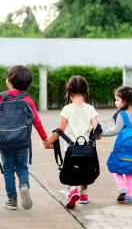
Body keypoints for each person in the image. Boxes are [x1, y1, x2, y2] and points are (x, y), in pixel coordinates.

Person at [0, 65, 48, 210]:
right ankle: (24, 185)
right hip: (22, 141)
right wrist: (45, 138)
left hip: (4, 142)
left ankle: (12, 199)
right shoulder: (27, 100)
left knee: (9, 169)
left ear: (9, 81)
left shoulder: (1, 97)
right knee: (22, 167)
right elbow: (36, 121)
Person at [44, 75, 101, 208]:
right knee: (85, 169)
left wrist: (48, 142)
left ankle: (73, 190)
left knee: (72, 171)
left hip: (70, 150)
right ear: (86, 93)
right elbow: (97, 133)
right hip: (87, 149)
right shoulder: (91, 109)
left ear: (70, 94)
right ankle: (84, 194)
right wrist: (94, 136)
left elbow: (60, 130)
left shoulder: (67, 109)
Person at [101, 86, 132, 203]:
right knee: (130, 171)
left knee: (115, 167)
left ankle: (121, 188)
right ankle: (129, 195)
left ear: (125, 101)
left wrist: (101, 133)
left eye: (117, 100)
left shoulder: (122, 115)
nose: (115, 102)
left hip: (123, 147)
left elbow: (116, 131)